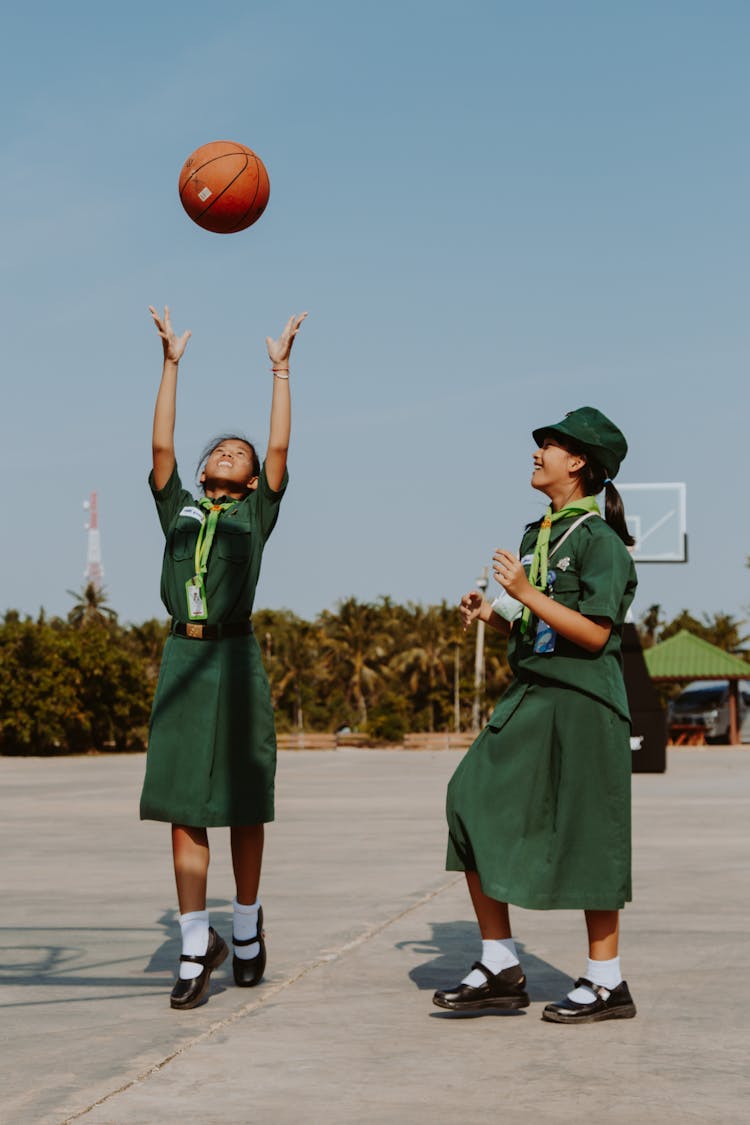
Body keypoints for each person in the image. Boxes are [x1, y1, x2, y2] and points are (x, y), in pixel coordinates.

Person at [434, 407, 638, 1024]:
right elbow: (539, 626)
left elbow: (597, 636)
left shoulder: (602, 543)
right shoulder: (536, 534)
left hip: (583, 701)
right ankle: (500, 962)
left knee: (587, 835)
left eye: (547, 446)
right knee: (468, 800)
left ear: (577, 462)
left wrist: (524, 593)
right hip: (531, 691)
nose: (536, 453)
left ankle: (607, 981)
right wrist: (493, 612)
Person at [140, 305, 307, 1010]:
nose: (230, 453)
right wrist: (171, 363)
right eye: (222, 450)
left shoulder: (255, 513)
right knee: (184, 806)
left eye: (238, 453)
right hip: (184, 658)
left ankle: (244, 927)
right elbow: (160, 449)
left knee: (242, 803)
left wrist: (280, 370)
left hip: (237, 661)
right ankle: (191, 944)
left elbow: (277, 452)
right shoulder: (178, 504)